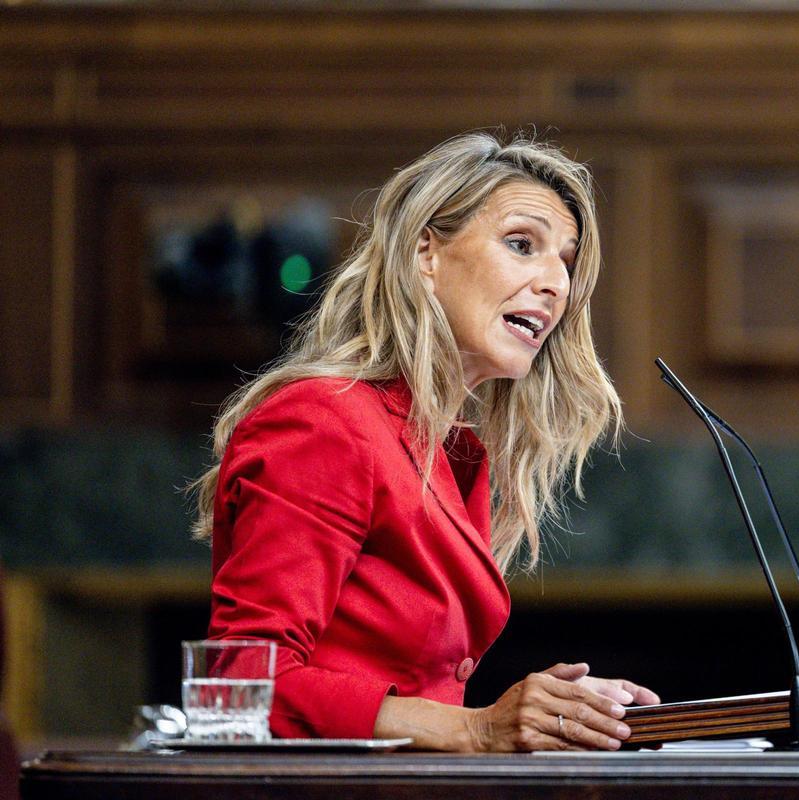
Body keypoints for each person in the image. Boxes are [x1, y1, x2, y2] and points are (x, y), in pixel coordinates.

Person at [189, 132, 659, 751]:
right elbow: (243, 681)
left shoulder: (453, 452)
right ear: (424, 253)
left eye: (566, 262)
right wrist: (477, 726)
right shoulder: (322, 421)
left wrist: (554, 716)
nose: (555, 283)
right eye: (522, 245)